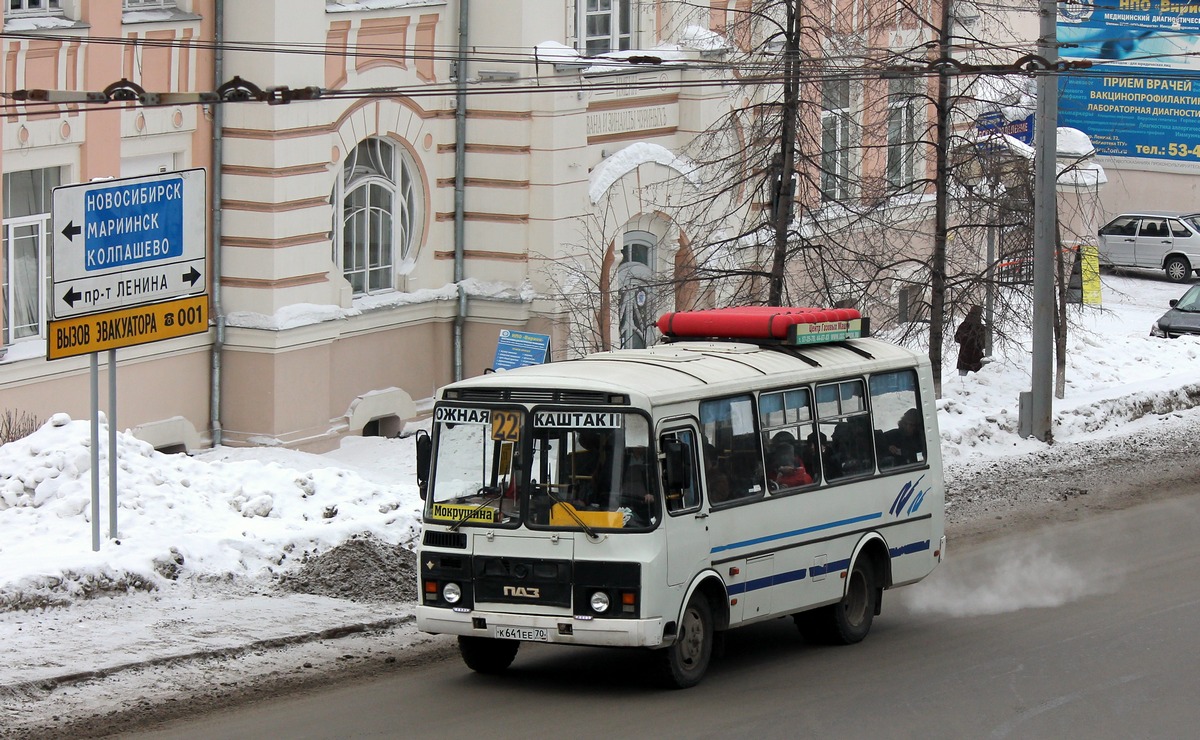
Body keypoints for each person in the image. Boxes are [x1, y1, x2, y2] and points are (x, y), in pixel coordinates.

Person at [954, 305, 986, 376]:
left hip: (963, 358)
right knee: (977, 382)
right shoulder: (981, 328)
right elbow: (984, 344)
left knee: (961, 382)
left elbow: (957, 338)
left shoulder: (963, 326)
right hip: (976, 359)